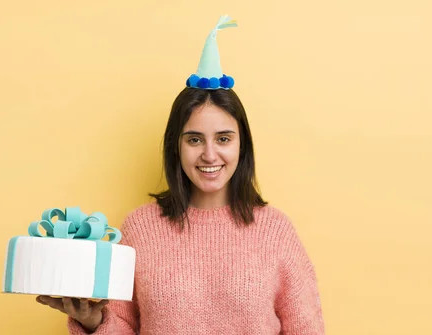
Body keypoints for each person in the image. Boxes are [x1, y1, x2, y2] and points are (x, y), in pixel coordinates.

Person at [36, 15, 325, 334]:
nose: (210, 155)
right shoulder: (140, 229)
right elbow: (120, 324)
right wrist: (92, 321)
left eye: (224, 138)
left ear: (242, 146)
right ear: (176, 146)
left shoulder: (275, 231)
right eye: (194, 139)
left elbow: (307, 328)